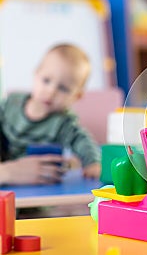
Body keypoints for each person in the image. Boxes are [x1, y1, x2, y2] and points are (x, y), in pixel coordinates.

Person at [0, 44, 101, 185]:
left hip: (40, 183)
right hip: (7, 177)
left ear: (76, 96)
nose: (51, 91)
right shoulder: (12, 102)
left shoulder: (63, 123)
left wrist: (92, 163)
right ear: (36, 75)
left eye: (63, 88)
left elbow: (82, 141)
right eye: (46, 80)